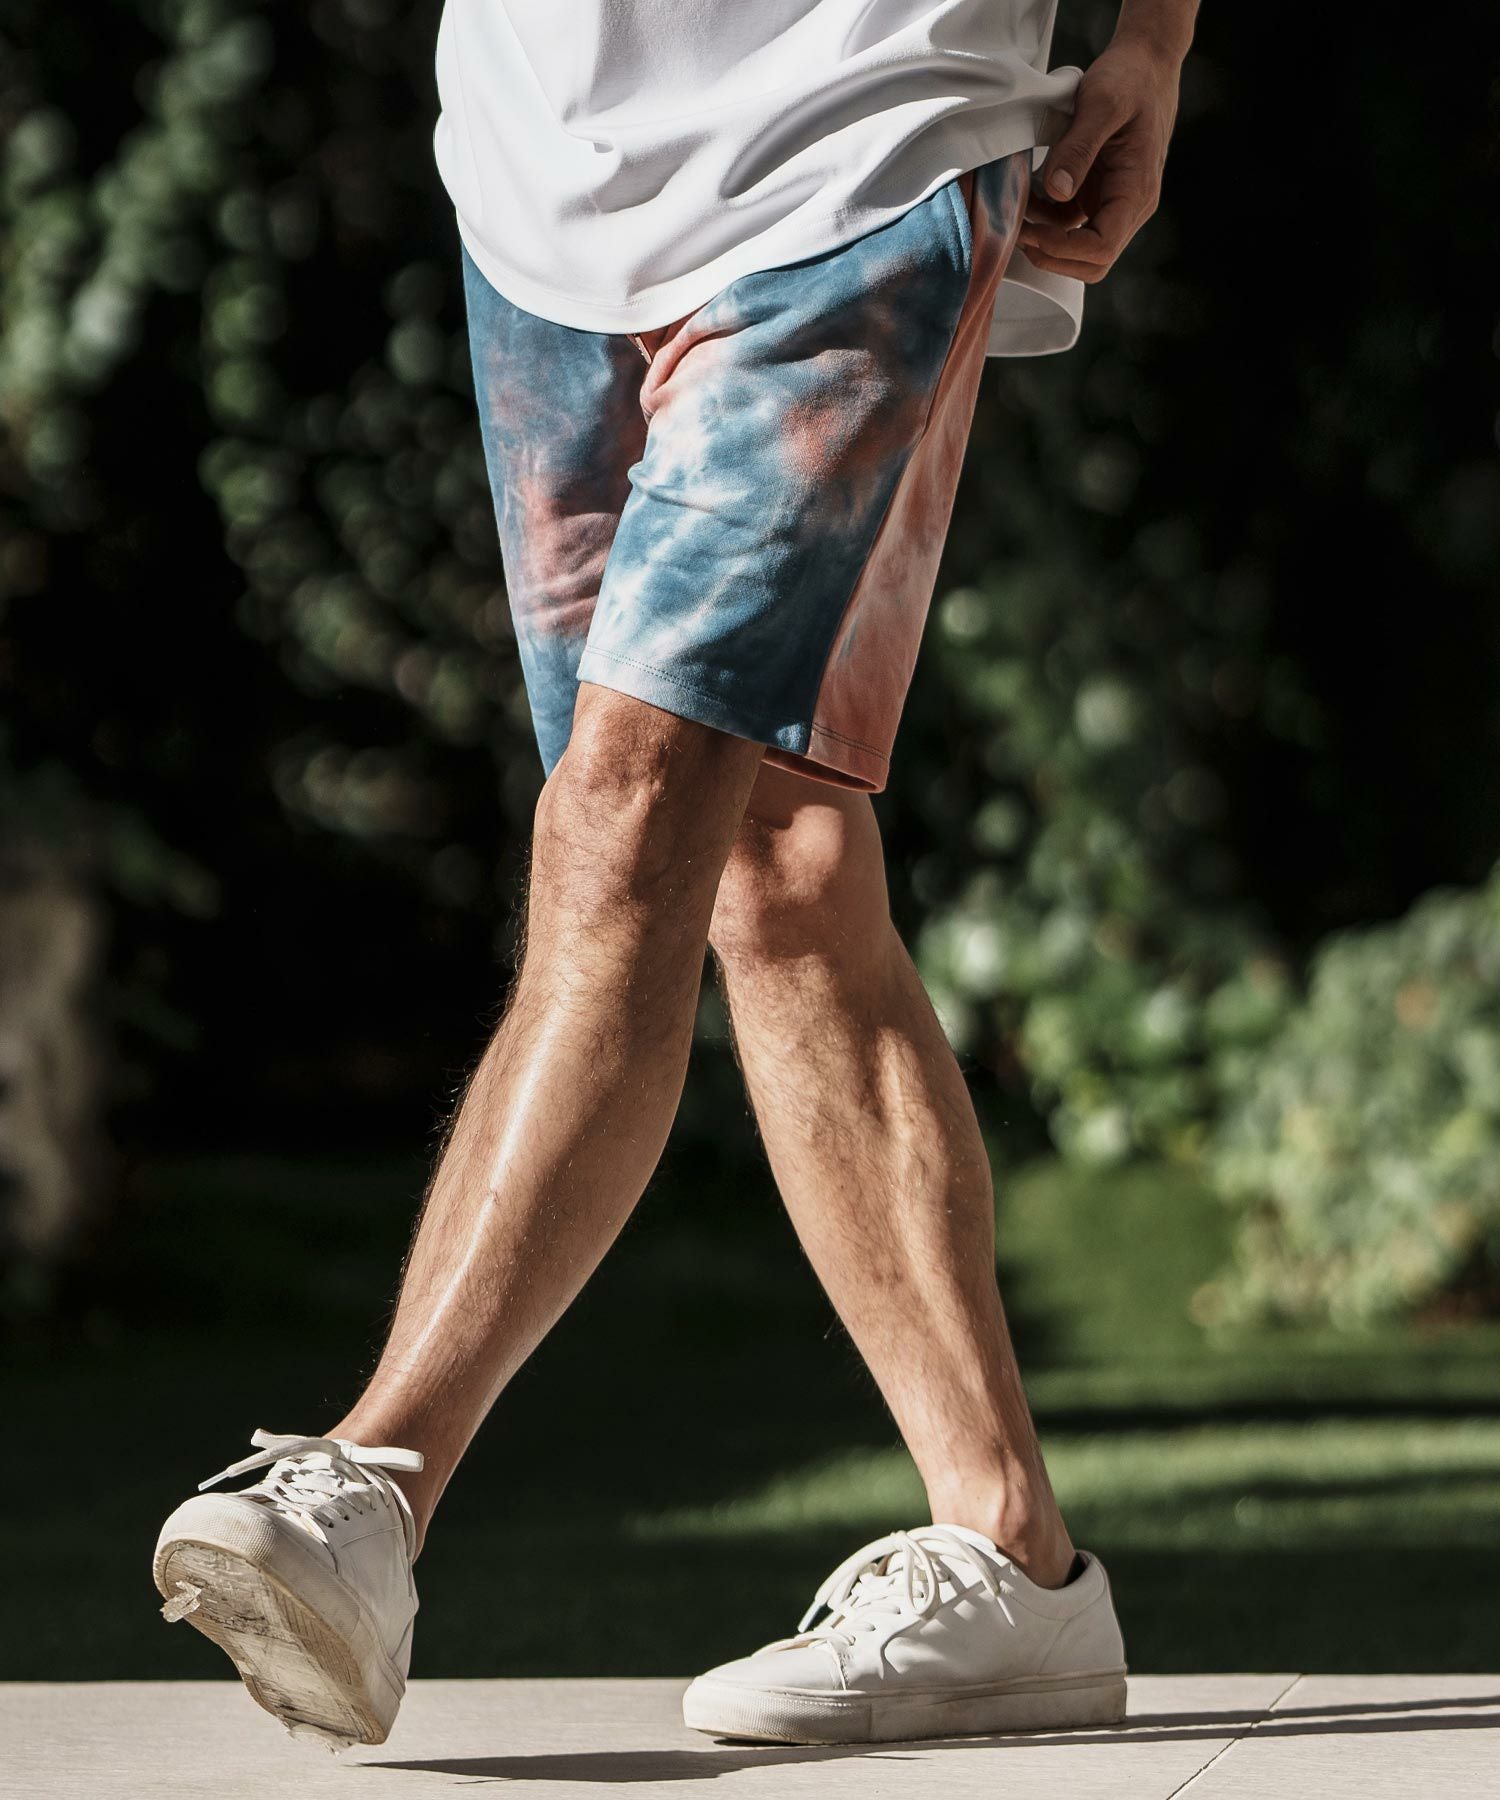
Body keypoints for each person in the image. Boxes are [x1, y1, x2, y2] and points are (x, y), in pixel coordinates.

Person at [153, 0, 1196, 1751]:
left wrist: (1152, 40)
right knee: (772, 856)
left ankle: (375, 1482)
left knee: (619, 819)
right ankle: (1013, 1555)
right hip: (539, 176)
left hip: (865, 132)